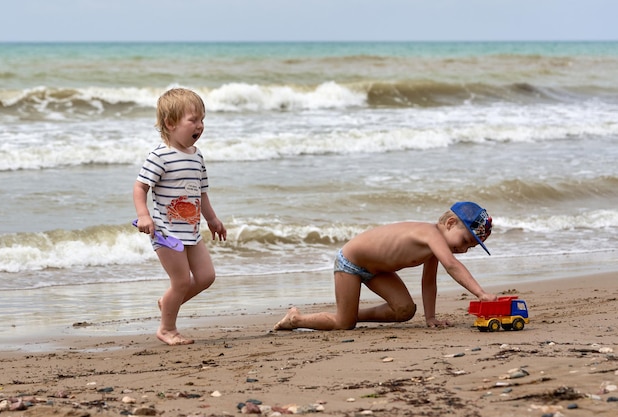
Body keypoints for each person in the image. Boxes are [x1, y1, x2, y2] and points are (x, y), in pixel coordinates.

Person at [274, 201, 497, 331]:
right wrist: (480, 293)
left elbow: (429, 282)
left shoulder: (435, 248)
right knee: (344, 325)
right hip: (350, 263)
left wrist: (431, 318)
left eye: (471, 247)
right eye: (466, 241)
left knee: (405, 310)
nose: (464, 249)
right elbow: (452, 265)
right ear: (450, 224)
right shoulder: (432, 235)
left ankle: (352, 314)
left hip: (377, 271)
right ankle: (296, 319)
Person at [133, 88, 227, 346]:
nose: (200, 125)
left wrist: (213, 220)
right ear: (171, 123)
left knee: (206, 276)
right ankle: (167, 328)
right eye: (193, 120)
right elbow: (140, 187)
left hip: (192, 232)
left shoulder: (197, 157)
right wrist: (143, 215)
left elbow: (201, 193)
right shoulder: (159, 156)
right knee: (181, 280)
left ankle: (168, 303)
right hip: (166, 232)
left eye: (202, 120)